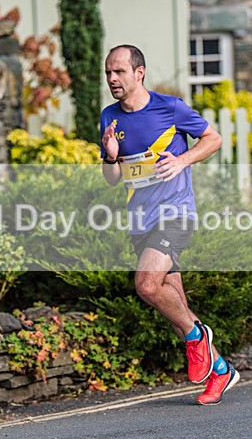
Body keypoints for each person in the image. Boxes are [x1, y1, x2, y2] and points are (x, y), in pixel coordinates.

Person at [99, 45, 237, 405]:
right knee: (175, 305)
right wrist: (111, 157)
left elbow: (214, 139)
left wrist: (182, 160)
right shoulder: (109, 117)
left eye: (119, 72)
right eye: (108, 73)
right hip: (140, 218)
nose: (112, 79)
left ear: (138, 72)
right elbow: (112, 179)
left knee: (146, 285)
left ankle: (198, 336)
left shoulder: (169, 107)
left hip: (176, 212)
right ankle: (220, 371)